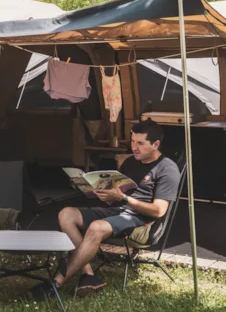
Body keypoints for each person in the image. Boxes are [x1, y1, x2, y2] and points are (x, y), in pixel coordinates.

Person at [34, 119, 181, 299]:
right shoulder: (130, 162)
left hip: (143, 222)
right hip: (119, 211)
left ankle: (56, 283)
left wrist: (123, 198)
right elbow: (118, 196)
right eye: (133, 141)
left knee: (97, 226)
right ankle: (87, 274)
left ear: (156, 144)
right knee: (66, 214)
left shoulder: (167, 169)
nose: (134, 147)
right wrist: (97, 191)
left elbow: (158, 211)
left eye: (140, 143)